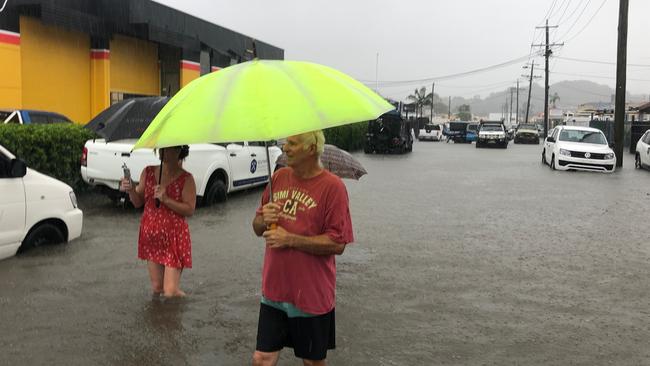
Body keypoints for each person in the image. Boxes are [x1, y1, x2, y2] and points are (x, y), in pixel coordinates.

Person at [251, 131, 354, 366]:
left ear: (311, 149)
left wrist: (291, 239)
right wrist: (263, 218)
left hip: (311, 295)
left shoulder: (333, 187)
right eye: (286, 142)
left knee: (312, 362)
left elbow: (338, 244)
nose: (285, 148)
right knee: (261, 359)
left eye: (293, 143)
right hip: (274, 290)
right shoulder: (277, 178)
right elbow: (257, 228)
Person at [120, 145, 196, 298]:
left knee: (170, 292)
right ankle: (162, 320)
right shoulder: (148, 172)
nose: (161, 152)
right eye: (160, 148)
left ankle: (186, 305)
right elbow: (138, 202)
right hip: (151, 237)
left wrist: (166, 199)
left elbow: (189, 209)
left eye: (166, 149)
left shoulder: (186, 179)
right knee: (157, 288)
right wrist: (131, 190)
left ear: (178, 151)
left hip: (174, 238)